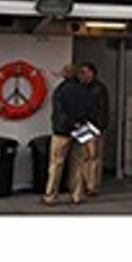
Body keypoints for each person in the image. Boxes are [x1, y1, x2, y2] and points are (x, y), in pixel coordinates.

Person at [42, 64, 98, 206]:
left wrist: (69, 123)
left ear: (64, 75)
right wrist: (79, 123)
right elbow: (91, 111)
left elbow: (59, 112)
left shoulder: (60, 90)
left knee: (56, 164)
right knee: (78, 164)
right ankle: (76, 195)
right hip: (80, 131)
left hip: (62, 131)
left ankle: (50, 196)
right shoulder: (86, 91)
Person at [79, 62, 109, 196]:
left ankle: (92, 185)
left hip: (94, 126)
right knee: (85, 156)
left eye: (84, 72)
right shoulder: (88, 87)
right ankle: (86, 183)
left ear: (92, 73)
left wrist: (99, 127)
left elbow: (102, 110)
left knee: (94, 157)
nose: (82, 75)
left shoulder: (99, 89)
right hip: (85, 126)